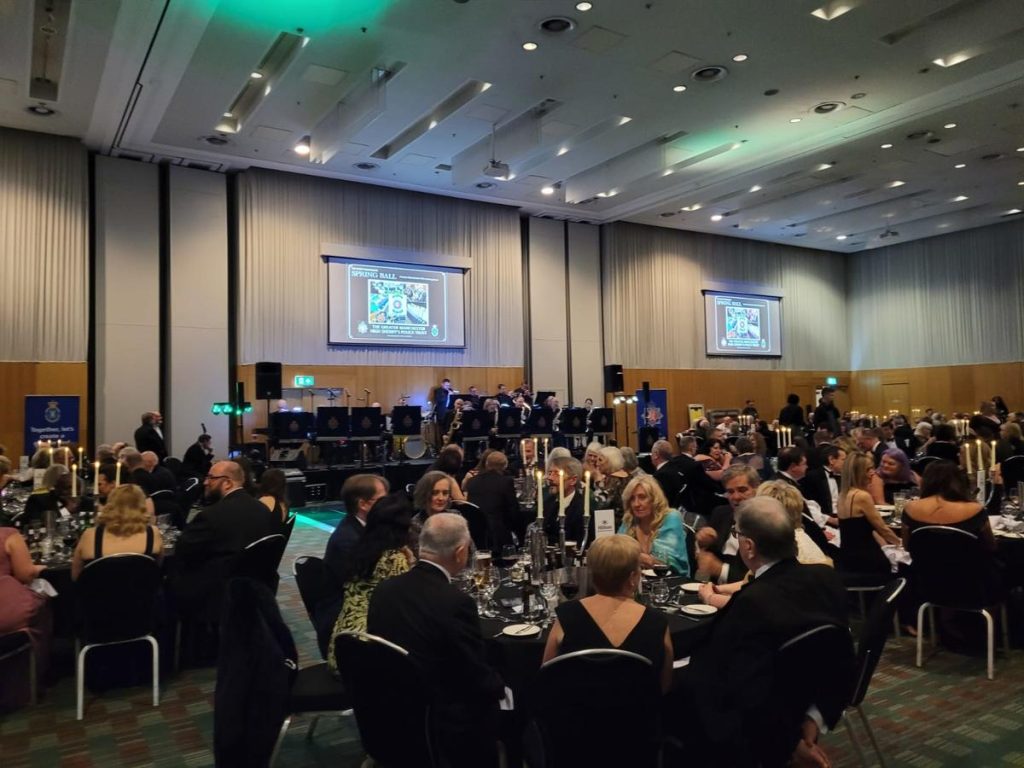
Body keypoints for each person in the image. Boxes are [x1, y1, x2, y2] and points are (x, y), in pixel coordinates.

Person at [669, 497, 851, 768]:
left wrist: (789, 742)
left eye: (737, 534)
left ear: (749, 547)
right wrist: (814, 718)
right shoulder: (828, 579)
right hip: (804, 700)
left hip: (747, 736)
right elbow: (842, 659)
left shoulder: (753, 602)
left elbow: (734, 686)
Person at [367, 513, 505, 768]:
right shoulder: (454, 602)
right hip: (440, 717)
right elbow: (473, 671)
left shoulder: (385, 589)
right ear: (460, 552)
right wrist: (503, 688)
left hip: (387, 707)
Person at [543, 535, 673, 692]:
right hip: (639, 714)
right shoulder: (657, 621)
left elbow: (546, 678)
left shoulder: (567, 614)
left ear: (592, 573)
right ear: (633, 577)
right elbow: (664, 685)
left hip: (575, 713)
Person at [169, 461, 279, 618]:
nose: (205, 482)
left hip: (217, 593)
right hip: (255, 587)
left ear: (227, 483)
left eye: (211, 478)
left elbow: (182, 550)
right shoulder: (262, 509)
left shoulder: (211, 516)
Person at [327, 495, 415, 674]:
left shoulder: (360, 549)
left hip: (341, 648)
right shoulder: (394, 559)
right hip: (371, 655)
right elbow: (408, 604)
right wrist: (412, 561)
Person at [316, 473, 388, 656]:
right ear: (363, 504)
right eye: (382, 500)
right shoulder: (348, 540)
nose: (388, 505)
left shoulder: (367, 529)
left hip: (363, 607)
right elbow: (372, 585)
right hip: (346, 623)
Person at [901, 461, 999, 592]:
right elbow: (991, 546)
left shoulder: (910, 508)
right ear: (958, 481)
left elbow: (907, 546)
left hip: (928, 581)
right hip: (972, 583)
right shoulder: (975, 509)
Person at [0, 523, 51, 709]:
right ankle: (30, 683)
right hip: (6, 608)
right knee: (41, 606)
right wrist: (39, 568)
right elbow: (25, 574)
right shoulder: (8, 535)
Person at [72, 484, 163, 580]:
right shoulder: (153, 533)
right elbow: (156, 570)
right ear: (142, 505)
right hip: (143, 593)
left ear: (110, 504)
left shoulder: (90, 535)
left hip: (98, 593)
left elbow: (76, 577)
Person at [836, 452, 900, 578]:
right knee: (907, 566)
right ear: (858, 472)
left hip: (847, 556)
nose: (873, 473)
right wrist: (902, 544)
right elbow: (883, 530)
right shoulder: (862, 496)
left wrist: (890, 545)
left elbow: (867, 530)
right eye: (869, 469)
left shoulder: (843, 495)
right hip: (866, 559)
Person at [694, 464, 760, 584]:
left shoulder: (765, 524)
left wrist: (720, 570)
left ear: (756, 489)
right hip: (711, 588)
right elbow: (705, 557)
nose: (735, 497)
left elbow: (761, 577)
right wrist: (703, 542)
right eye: (730, 491)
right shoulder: (720, 513)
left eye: (742, 490)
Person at [617, 474, 690, 576]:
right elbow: (616, 552)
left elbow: (667, 563)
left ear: (654, 499)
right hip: (636, 582)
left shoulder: (671, 517)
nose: (636, 504)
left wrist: (633, 556)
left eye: (642, 497)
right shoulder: (629, 519)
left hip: (670, 581)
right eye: (632, 499)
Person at [465, 451, 522, 547]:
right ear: (505, 466)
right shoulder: (505, 482)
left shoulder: (471, 482)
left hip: (475, 534)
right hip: (498, 534)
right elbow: (513, 510)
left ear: (486, 464)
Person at [542, 456, 587, 545]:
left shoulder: (583, 509)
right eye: (550, 473)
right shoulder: (548, 502)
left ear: (573, 480)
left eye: (557, 474)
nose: (550, 478)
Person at [591, 446, 631, 524]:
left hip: (615, 523)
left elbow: (600, 504)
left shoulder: (613, 480)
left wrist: (598, 482)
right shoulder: (628, 475)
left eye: (600, 460)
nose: (597, 463)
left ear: (611, 462)